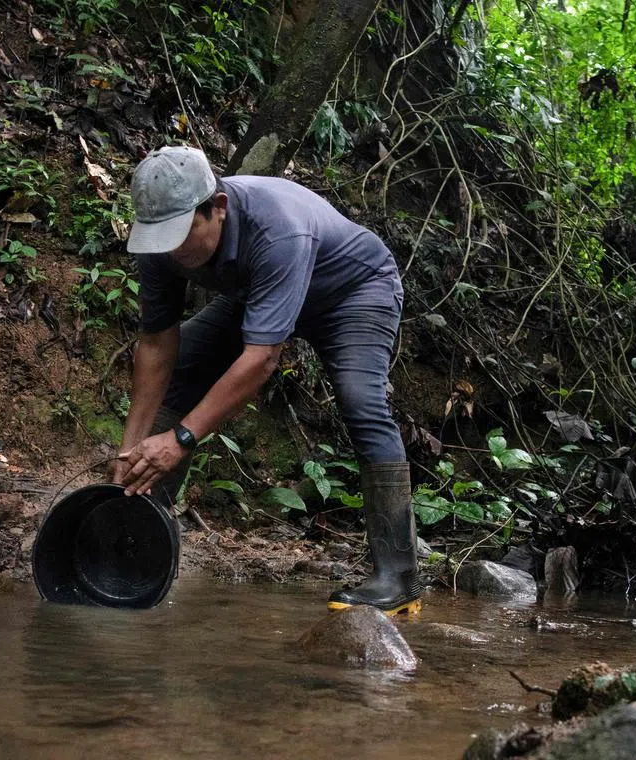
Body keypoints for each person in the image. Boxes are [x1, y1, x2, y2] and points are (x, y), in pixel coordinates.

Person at [111, 144, 424, 615]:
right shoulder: (160, 241)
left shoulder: (277, 229)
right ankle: (141, 526)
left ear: (218, 207)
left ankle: (398, 579)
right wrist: (130, 449)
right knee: (187, 362)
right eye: (162, 238)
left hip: (352, 292)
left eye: (182, 234)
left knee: (361, 402)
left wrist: (180, 438)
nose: (173, 250)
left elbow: (261, 360)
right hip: (260, 292)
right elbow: (157, 345)